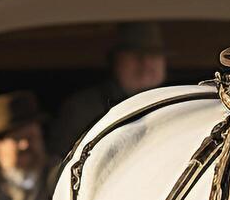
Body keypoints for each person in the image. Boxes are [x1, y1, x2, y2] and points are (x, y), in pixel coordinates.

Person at [49, 21, 169, 152]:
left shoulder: (178, 104)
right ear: (115, 60)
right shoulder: (81, 110)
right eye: (135, 55)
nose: (146, 62)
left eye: (154, 54)